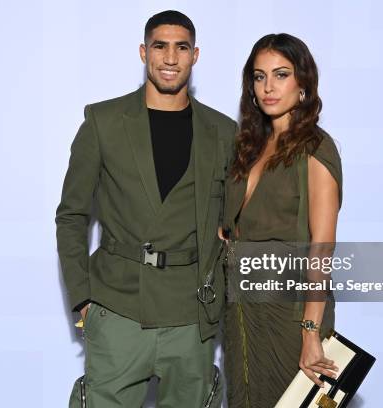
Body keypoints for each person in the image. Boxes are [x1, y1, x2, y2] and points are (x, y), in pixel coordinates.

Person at [55, 10, 236, 408]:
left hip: (192, 314)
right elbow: (71, 215)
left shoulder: (223, 132)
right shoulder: (103, 121)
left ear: (195, 55)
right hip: (117, 308)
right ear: (143, 52)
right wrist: (82, 297)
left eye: (181, 47)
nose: (170, 58)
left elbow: (234, 222)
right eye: (160, 46)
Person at [220, 33, 343, 408]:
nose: (268, 87)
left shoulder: (316, 148)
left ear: (302, 83)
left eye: (281, 74)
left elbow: (322, 247)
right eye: (259, 77)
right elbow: (238, 219)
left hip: (290, 315)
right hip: (242, 312)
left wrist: (310, 333)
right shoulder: (248, 146)